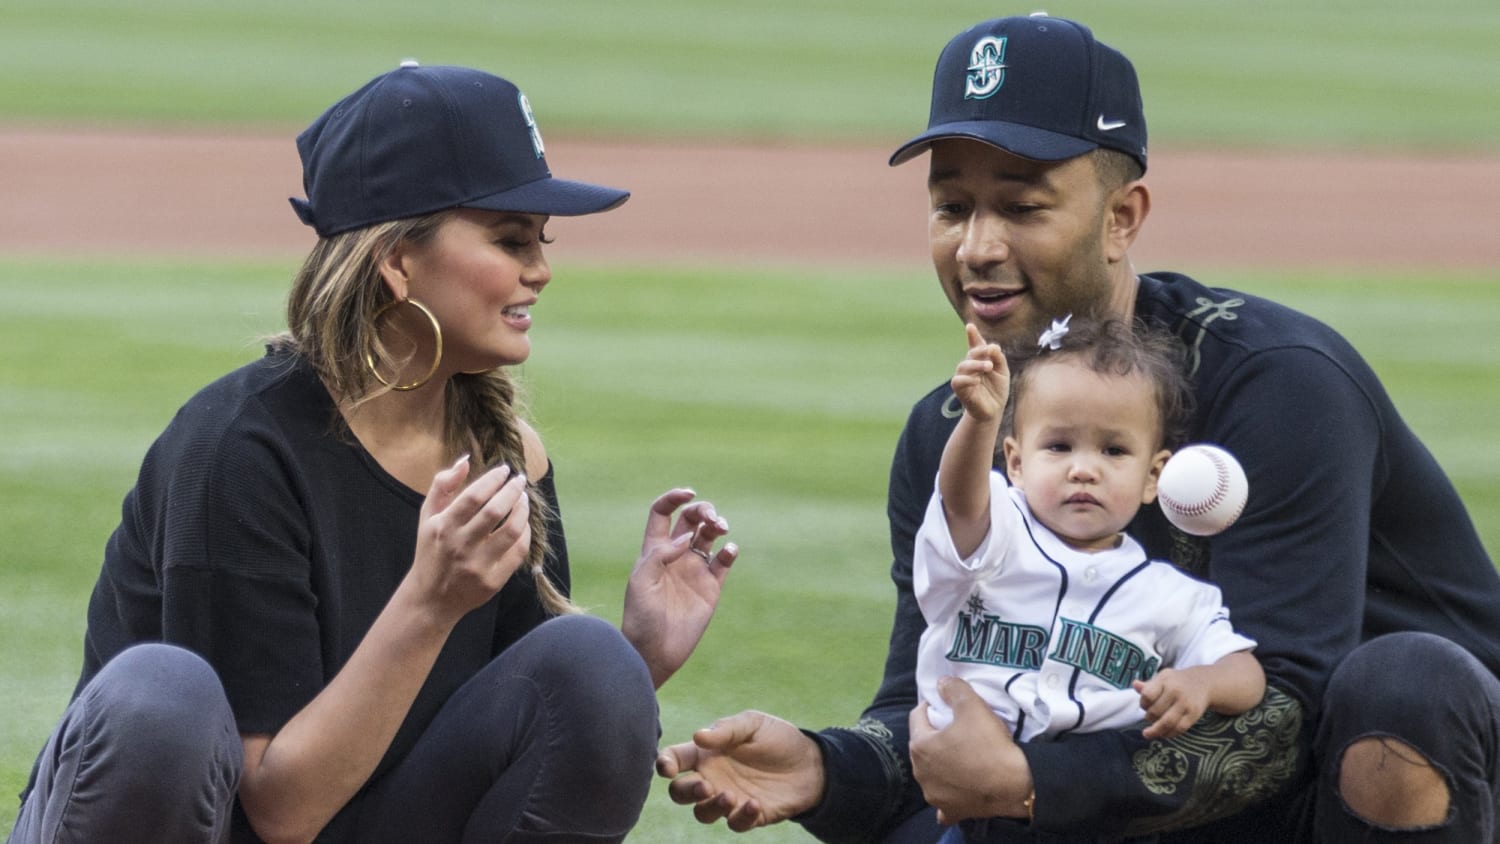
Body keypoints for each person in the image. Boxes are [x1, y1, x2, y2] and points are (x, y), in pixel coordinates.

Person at [657, 12, 1500, 843]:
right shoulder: (954, 434)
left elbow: (1282, 717)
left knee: (1405, 683)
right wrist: (826, 769)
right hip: (1135, 785)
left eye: (1022, 208)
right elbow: (936, 699)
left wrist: (1031, 784)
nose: (977, 247)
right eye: (952, 207)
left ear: (1122, 218)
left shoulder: (1278, 386)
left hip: (1374, 781)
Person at [9, 61, 740, 844]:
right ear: (396, 260)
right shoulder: (242, 451)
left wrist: (638, 660)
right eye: (509, 238)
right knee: (165, 698)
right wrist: (429, 603)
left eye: (542, 239)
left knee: (590, 665)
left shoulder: (504, 457)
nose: (542, 269)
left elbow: (518, 742)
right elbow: (277, 813)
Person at [915, 316, 1263, 763]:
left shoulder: (1169, 595)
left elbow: (1245, 672)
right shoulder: (995, 532)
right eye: (1059, 446)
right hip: (966, 797)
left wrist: (1202, 683)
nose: (1084, 469)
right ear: (1016, 464)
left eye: (1114, 451)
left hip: (1091, 803)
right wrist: (980, 422)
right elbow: (960, 500)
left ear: (1153, 476)